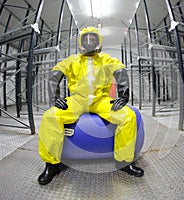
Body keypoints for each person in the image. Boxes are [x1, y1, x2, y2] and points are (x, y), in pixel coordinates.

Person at [38, 26, 144, 185]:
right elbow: (55, 73)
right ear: (80, 41)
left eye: (93, 38)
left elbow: (120, 71)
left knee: (127, 116)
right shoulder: (73, 60)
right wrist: (54, 96)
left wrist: (124, 94)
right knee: (50, 116)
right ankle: (51, 165)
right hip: (77, 100)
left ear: (99, 41)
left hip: (100, 100)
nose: (89, 41)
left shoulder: (106, 59)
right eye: (86, 38)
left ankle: (124, 161)